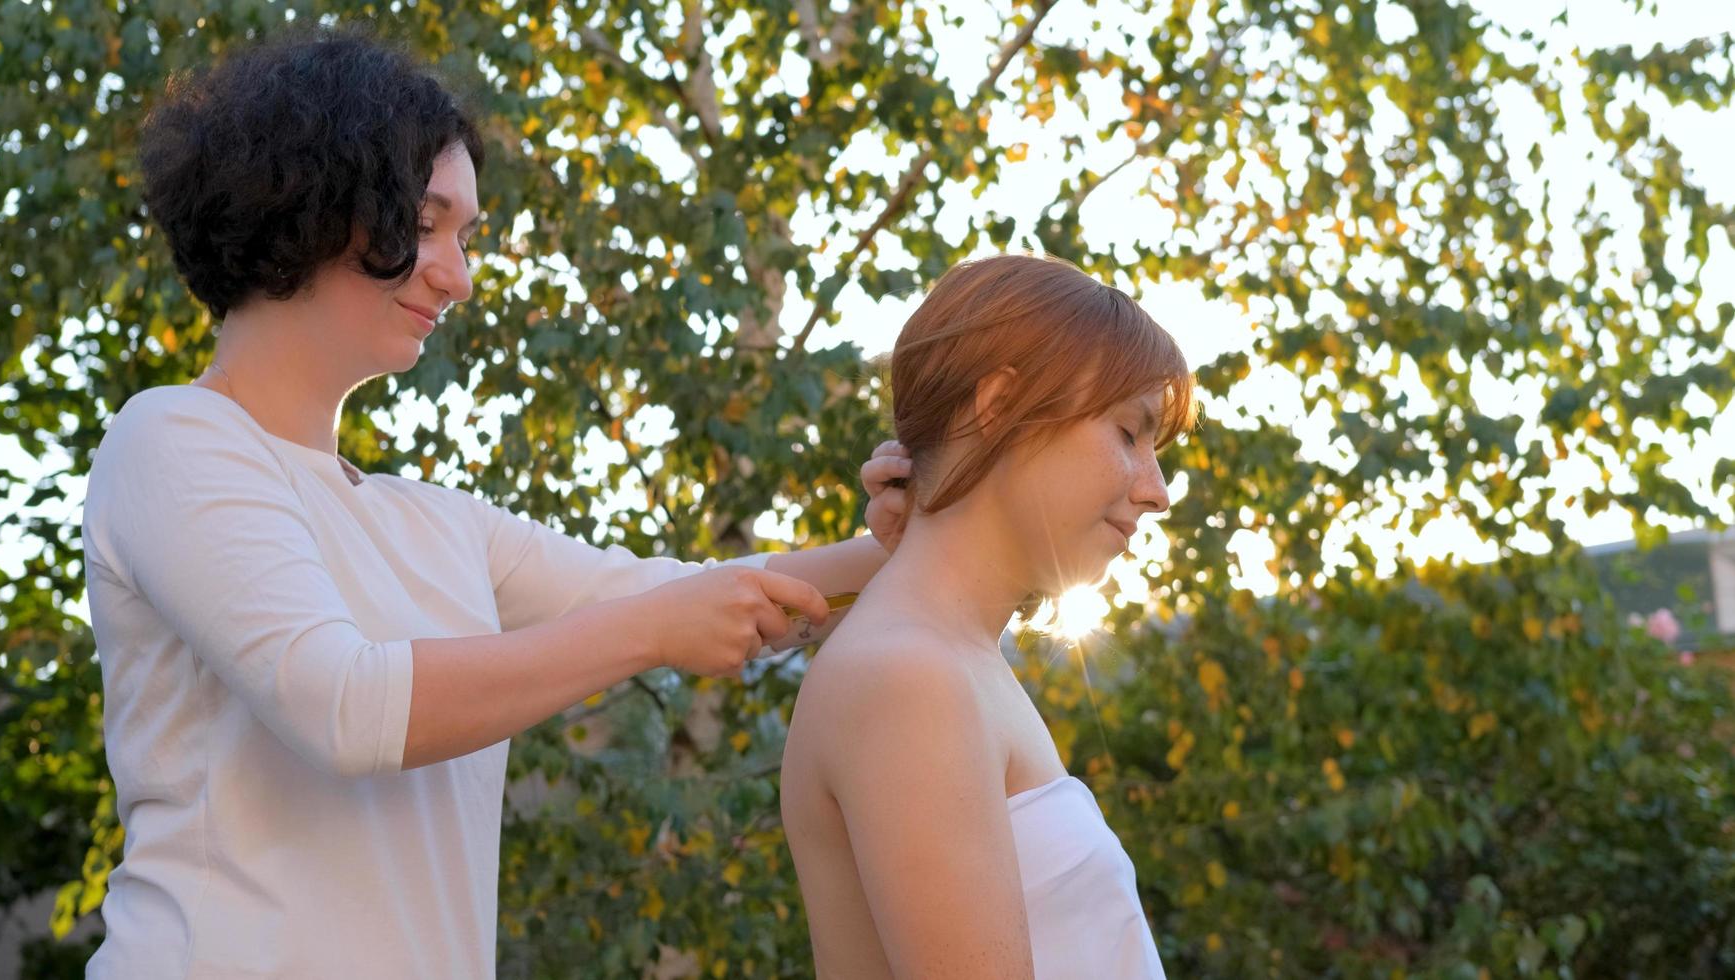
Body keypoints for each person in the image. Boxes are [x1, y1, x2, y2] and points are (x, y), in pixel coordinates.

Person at [80, 29, 909, 978]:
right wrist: (650, 632)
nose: (457, 275)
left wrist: (907, 539)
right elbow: (342, 705)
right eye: (425, 224)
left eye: (464, 237)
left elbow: (690, 590)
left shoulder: (432, 522)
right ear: (309, 198)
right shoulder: (171, 438)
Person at [780, 253, 1196, 978]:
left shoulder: (952, 660)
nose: (1156, 491)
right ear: (998, 407)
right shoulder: (909, 678)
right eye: (1128, 434)